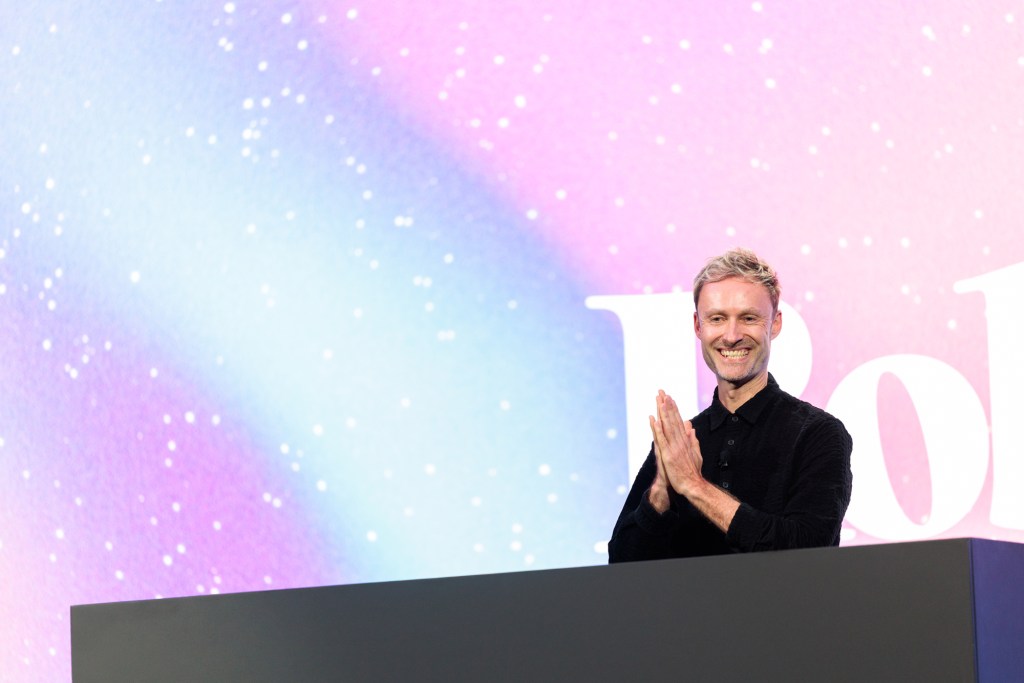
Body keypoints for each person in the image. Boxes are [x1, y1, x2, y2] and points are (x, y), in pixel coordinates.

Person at [608, 248, 852, 561]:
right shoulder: (681, 443)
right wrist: (660, 496)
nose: (732, 335)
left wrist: (695, 486)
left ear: (774, 324)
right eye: (717, 319)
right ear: (698, 327)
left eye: (748, 318)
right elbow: (621, 565)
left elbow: (808, 550)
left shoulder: (818, 434)